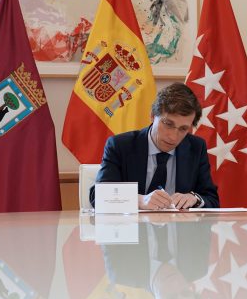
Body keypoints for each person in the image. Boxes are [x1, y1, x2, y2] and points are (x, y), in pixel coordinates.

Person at [90, 82, 219, 210]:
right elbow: (98, 196)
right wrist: (140, 200)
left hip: (178, 223)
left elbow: (212, 200)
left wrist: (195, 199)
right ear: (152, 116)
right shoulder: (120, 146)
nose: (173, 137)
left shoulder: (196, 147)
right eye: (168, 124)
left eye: (183, 129)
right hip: (133, 223)